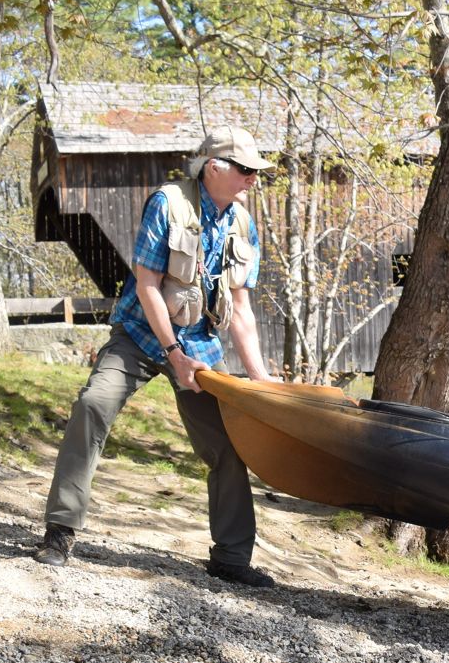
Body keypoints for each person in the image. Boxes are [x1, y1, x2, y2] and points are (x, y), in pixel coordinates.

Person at [33, 124, 278, 587]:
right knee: (93, 405)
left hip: (201, 347)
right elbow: (147, 286)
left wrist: (260, 382)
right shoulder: (167, 203)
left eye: (255, 171)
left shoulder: (242, 223)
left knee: (229, 444)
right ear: (214, 167)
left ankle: (231, 558)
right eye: (245, 170)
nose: (253, 178)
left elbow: (241, 310)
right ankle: (60, 531)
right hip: (142, 336)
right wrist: (173, 353)